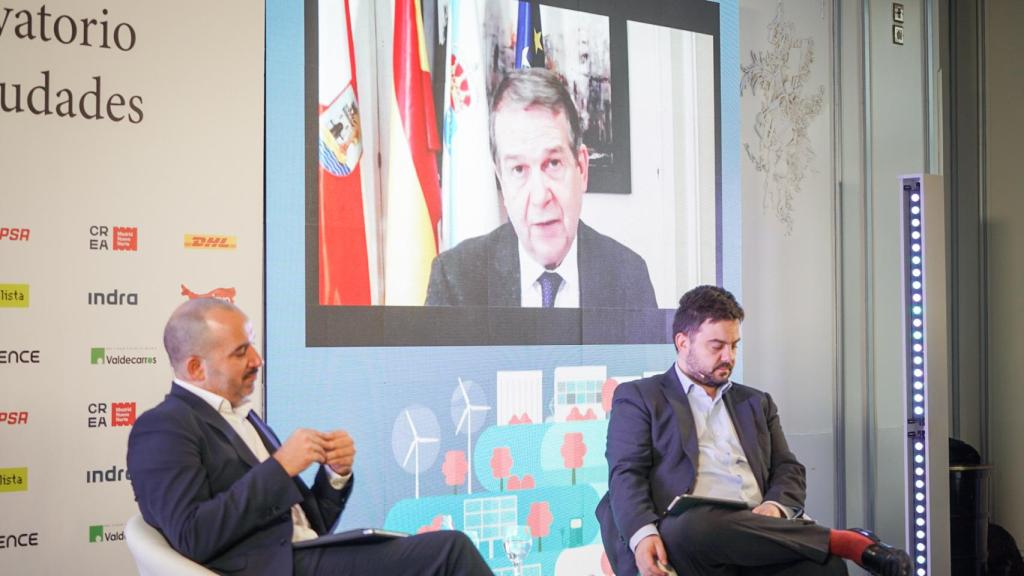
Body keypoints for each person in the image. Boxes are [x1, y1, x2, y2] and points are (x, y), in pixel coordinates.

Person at [127, 298, 492, 576]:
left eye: (252, 346)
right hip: (274, 569)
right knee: (449, 552)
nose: (257, 360)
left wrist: (334, 475)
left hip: (302, 555)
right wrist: (280, 467)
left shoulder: (247, 417)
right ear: (195, 367)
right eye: (241, 352)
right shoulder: (163, 428)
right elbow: (193, 535)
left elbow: (310, 525)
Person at [596, 285, 912, 576]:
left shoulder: (756, 402)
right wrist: (642, 535)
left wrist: (774, 508)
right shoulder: (640, 397)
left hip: (756, 527)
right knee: (696, 525)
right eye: (717, 346)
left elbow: (788, 468)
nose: (729, 357)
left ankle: (831, 545)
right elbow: (626, 474)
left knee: (827, 567)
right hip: (687, 533)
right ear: (683, 342)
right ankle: (847, 540)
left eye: (734, 346)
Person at [425, 68, 656, 310]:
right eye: (518, 169)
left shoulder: (629, 278)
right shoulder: (455, 280)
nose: (539, 197)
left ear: (582, 169)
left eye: (553, 163)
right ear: (502, 181)